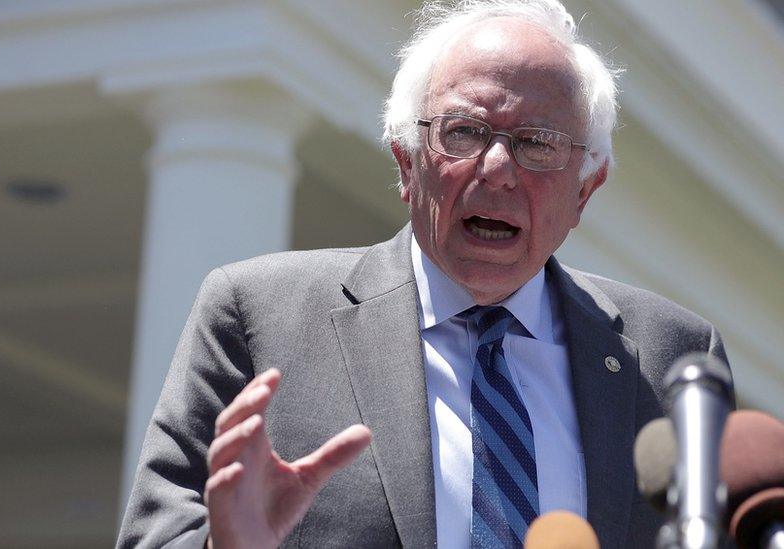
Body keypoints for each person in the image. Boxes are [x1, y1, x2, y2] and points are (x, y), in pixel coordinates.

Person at [117, 1, 731, 548]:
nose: (497, 168)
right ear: (407, 162)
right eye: (463, 132)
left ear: (585, 190)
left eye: (538, 142)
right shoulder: (256, 313)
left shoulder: (673, 356)